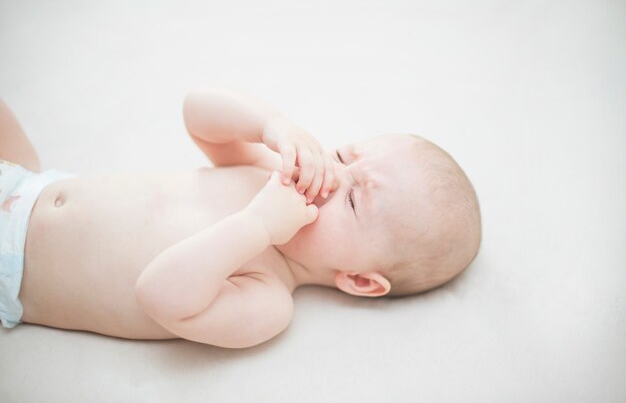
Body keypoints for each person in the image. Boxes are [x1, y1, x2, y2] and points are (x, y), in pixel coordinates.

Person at [0, 89, 481, 348]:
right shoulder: (265, 171)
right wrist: (273, 125)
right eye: (343, 154)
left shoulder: (268, 300)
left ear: (358, 279)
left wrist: (258, 227)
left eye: (354, 201)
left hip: (15, 265)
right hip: (33, 183)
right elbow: (196, 111)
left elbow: (158, 294)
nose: (334, 175)